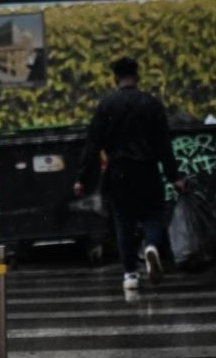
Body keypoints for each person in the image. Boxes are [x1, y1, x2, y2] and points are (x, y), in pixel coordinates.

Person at [74, 57, 184, 290]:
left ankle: (130, 275)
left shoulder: (107, 106)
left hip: (119, 172)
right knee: (153, 214)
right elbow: (164, 146)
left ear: (116, 79)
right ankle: (151, 246)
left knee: (123, 220)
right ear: (138, 77)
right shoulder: (151, 104)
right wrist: (174, 177)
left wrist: (82, 179)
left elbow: (93, 145)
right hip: (147, 170)